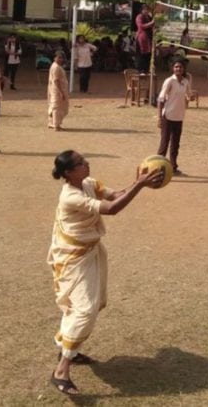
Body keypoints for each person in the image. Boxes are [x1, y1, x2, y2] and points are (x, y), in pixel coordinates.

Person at [47, 150, 163, 395]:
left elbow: (115, 195)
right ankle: (61, 370)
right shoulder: (70, 196)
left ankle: (66, 345)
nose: (86, 164)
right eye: (80, 163)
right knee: (85, 309)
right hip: (72, 257)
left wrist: (136, 182)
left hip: (90, 252)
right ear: (68, 172)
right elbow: (111, 209)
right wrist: (140, 186)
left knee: (90, 304)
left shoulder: (89, 183)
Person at [157, 60, 195, 175]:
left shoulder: (185, 82)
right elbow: (161, 99)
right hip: (168, 116)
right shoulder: (169, 81)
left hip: (179, 116)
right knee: (164, 143)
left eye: (180, 67)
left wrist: (190, 98)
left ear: (183, 69)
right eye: (176, 67)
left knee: (175, 144)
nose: (178, 69)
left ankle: (173, 167)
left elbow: (188, 95)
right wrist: (159, 117)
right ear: (173, 69)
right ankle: (158, 167)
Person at [47, 51, 69, 130]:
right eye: (58, 57)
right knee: (57, 107)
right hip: (57, 90)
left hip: (56, 89)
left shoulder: (56, 66)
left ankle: (51, 122)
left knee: (54, 106)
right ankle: (56, 125)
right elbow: (56, 80)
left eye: (61, 57)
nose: (60, 59)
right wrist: (61, 92)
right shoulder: (56, 67)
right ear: (54, 58)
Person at [134, 4, 155, 73]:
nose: (146, 11)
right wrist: (151, 23)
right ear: (142, 10)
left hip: (148, 38)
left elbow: (152, 26)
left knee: (148, 54)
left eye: (147, 9)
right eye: (145, 9)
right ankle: (140, 70)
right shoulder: (139, 17)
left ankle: (146, 69)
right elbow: (141, 26)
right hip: (142, 38)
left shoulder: (148, 17)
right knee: (141, 54)